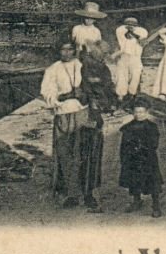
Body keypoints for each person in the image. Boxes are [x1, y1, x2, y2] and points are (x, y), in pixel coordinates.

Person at [39, 43, 86, 205]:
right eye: (63, 49)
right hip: (63, 113)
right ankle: (69, 191)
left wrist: (83, 94)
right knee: (64, 152)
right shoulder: (52, 69)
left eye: (69, 49)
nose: (66, 52)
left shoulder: (81, 65)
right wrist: (61, 97)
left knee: (81, 151)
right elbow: (46, 92)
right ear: (58, 51)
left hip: (81, 112)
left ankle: (83, 189)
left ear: (75, 50)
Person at [74, 40, 114, 212]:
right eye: (104, 54)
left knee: (88, 155)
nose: (105, 57)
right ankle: (87, 193)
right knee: (89, 156)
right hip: (89, 115)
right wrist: (105, 103)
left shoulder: (97, 66)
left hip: (92, 114)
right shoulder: (91, 67)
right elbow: (95, 88)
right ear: (97, 52)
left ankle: (84, 191)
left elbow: (105, 86)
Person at [117, 100, 165, 217]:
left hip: (147, 158)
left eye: (142, 112)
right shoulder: (128, 128)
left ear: (147, 112)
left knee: (152, 181)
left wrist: (142, 147)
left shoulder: (152, 127)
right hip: (133, 158)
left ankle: (156, 205)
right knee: (133, 180)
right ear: (133, 113)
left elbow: (154, 143)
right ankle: (136, 200)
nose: (139, 114)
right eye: (136, 112)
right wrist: (125, 157)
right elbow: (124, 145)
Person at [112, 17, 150, 103]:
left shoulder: (142, 31)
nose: (130, 26)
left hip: (135, 57)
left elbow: (142, 42)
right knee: (121, 76)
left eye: (133, 25)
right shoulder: (120, 30)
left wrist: (133, 32)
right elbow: (123, 35)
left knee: (135, 77)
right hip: (123, 56)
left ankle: (132, 96)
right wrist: (129, 31)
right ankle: (120, 97)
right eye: (128, 25)